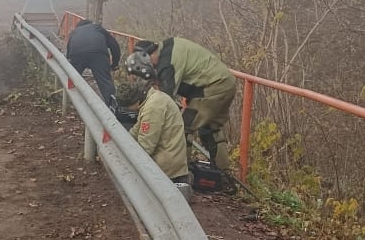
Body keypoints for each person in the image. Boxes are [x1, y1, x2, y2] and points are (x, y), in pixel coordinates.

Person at [127, 36, 237, 170]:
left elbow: (163, 101)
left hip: (212, 87)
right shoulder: (168, 45)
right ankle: (222, 174)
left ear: (148, 55)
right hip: (225, 82)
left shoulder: (168, 64)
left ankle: (180, 171)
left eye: (152, 65)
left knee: (183, 126)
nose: (153, 67)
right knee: (211, 130)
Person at [115, 79, 190, 184]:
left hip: (167, 167)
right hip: (168, 156)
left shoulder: (152, 109)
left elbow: (145, 147)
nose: (129, 110)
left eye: (128, 107)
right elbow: (137, 129)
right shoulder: (151, 98)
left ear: (135, 101)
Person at [65, 18, 121, 109]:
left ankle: (71, 104)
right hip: (98, 54)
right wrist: (115, 64)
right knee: (105, 81)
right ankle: (113, 108)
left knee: (72, 79)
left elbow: (68, 53)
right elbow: (114, 45)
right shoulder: (97, 28)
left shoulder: (74, 32)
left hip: (76, 55)